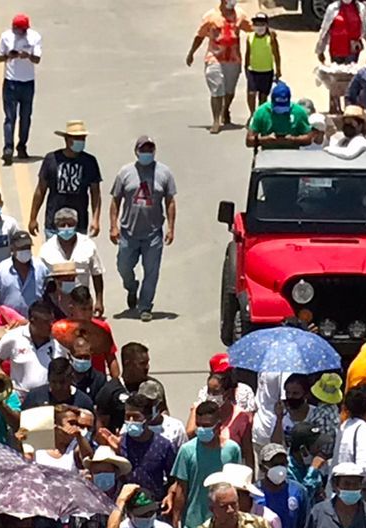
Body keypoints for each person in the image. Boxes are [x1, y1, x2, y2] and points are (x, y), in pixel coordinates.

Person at [108, 137, 175, 321]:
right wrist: (113, 226)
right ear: (136, 151)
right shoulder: (125, 173)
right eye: (143, 149)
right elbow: (115, 200)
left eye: (150, 149)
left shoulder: (164, 173)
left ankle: (145, 305)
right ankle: (131, 287)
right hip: (128, 232)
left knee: (151, 271)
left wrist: (171, 228)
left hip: (153, 233)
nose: (147, 153)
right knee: (123, 266)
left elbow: (170, 201)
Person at [186, 0, 250, 135]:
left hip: (233, 59)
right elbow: (200, 36)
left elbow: (252, 28)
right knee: (217, 89)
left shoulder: (240, 15)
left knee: (229, 91)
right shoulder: (211, 16)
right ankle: (216, 120)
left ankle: (225, 109)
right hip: (214, 58)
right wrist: (191, 52)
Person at [0, 14, 42, 163]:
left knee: (26, 117)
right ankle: (8, 148)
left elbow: (37, 59)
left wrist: (27, 56)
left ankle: (22, 145)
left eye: (23, 30)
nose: (21, 32)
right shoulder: (6, 37)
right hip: (11, 82)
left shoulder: (35, 37)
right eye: (18, 29)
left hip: (27, 82)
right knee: (10, 117)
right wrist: (8, 56)